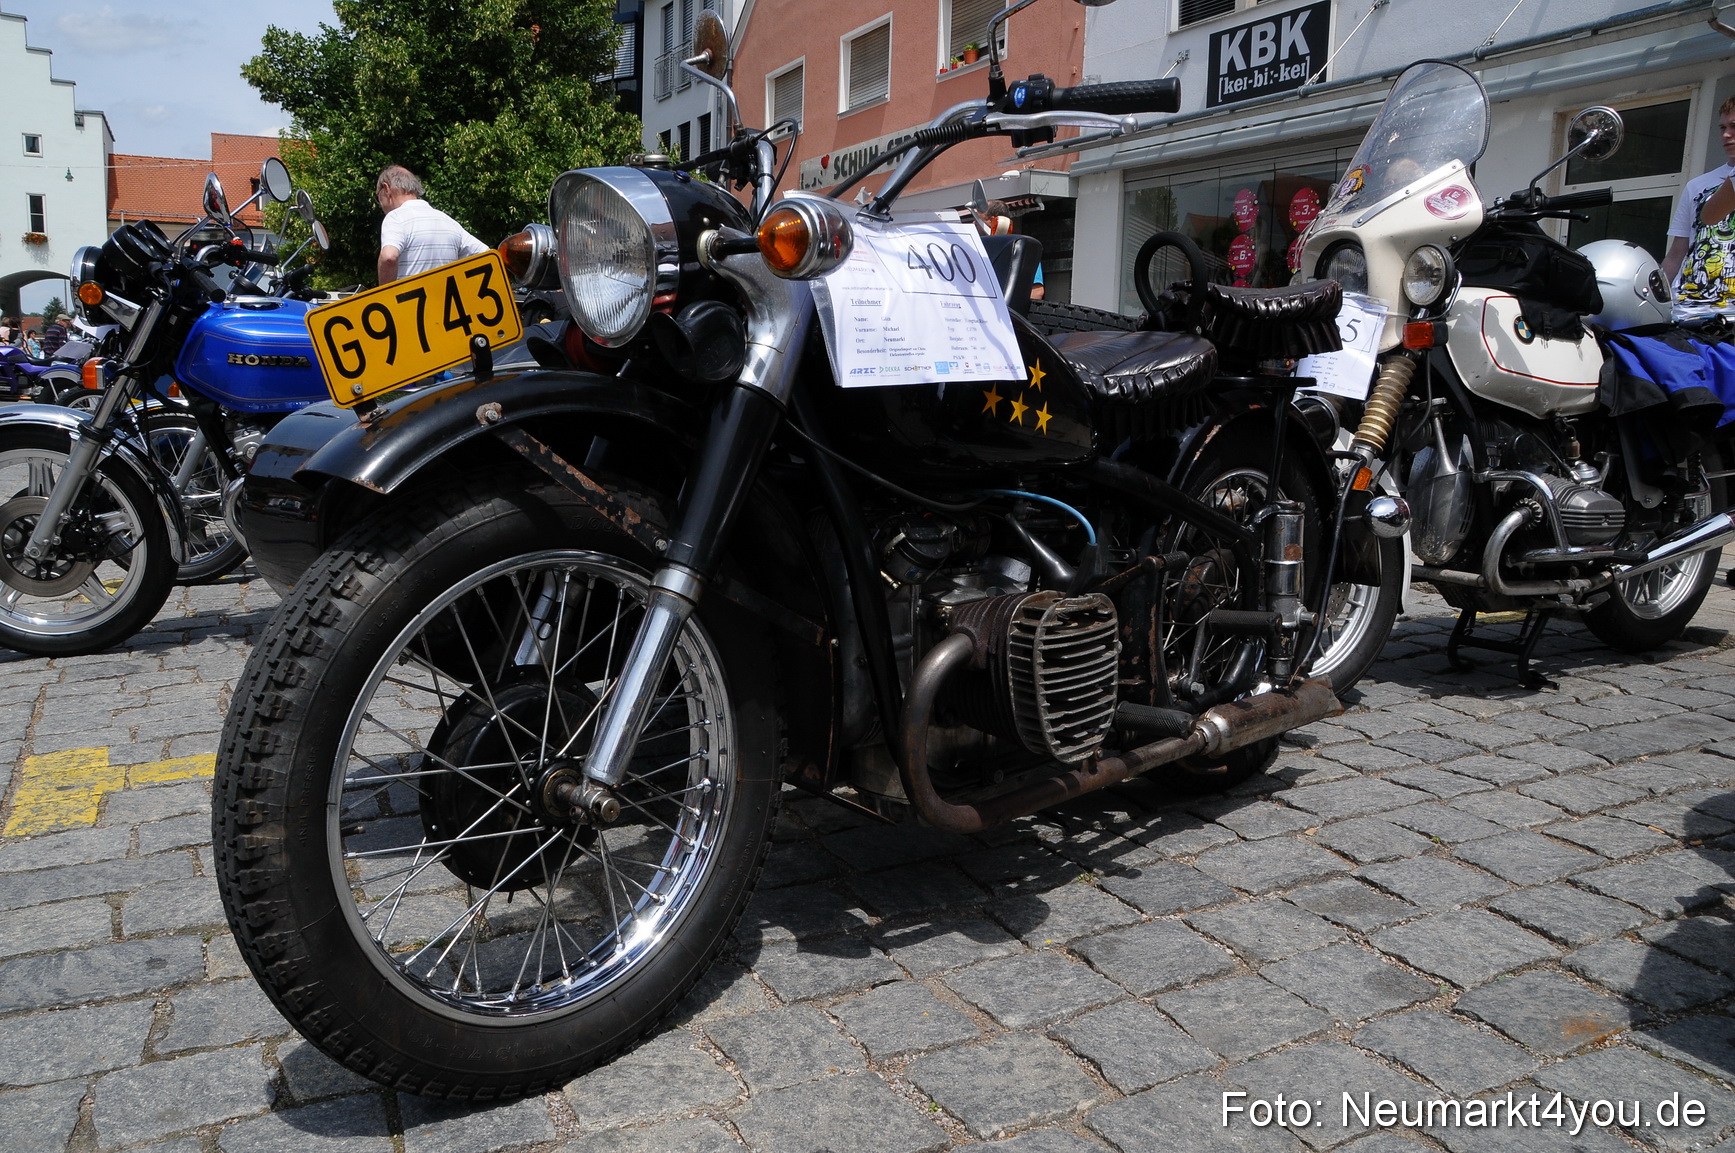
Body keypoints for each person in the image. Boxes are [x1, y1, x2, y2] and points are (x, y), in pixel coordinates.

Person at [1663, 96, 1735, 306]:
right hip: (1692, 304)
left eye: (1733, 126)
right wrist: (1653, 299)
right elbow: (1677, 253)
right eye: (1722, 127)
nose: (1726, 135)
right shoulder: (1697, 185)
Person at [374, 165, 488, 284]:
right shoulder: (447, 221)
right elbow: (485, 255)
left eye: (378, 197)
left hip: (408, 300)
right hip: (446, 300)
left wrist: (385, 296)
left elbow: (389, 257)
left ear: (386, 189)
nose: (380, 204)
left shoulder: (396, 217)